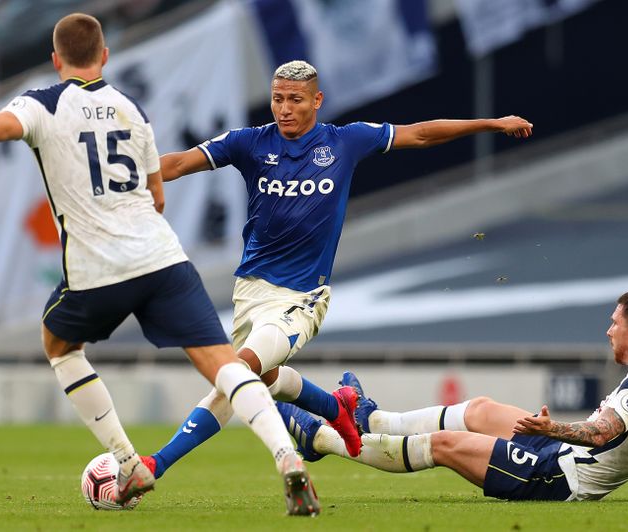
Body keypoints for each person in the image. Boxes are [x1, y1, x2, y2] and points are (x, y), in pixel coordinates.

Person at [0, 13, 319, 516]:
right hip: (163, 258)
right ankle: (287, 457)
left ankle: (127, 460)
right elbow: (156, 196)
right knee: (224, 366)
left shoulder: (42, 104)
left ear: (55, 59)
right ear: (105, 56)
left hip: (99, 269)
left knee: (59, 343)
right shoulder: (130, 108)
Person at [142, 59, 534, 479]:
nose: (284, 109)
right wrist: (123, 180)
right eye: (277, 99)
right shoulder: (249, 143)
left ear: (317, 100)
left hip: (301, 297)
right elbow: (179, 163)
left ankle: (154, 465)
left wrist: (492, 123)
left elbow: (419, 134)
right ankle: (337, 407)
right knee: (267, 379)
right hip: (250, 292)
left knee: (235, 375)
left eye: (295, 99)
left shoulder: (346, 141)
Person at [278, 218, 628, 501]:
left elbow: (598, 433)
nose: (608, 330)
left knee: (444, 445)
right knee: (481, 409)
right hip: (562, 455)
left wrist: (550, 427)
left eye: (614, 323)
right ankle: (372, 420)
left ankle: (319, 439)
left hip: (560, 478)